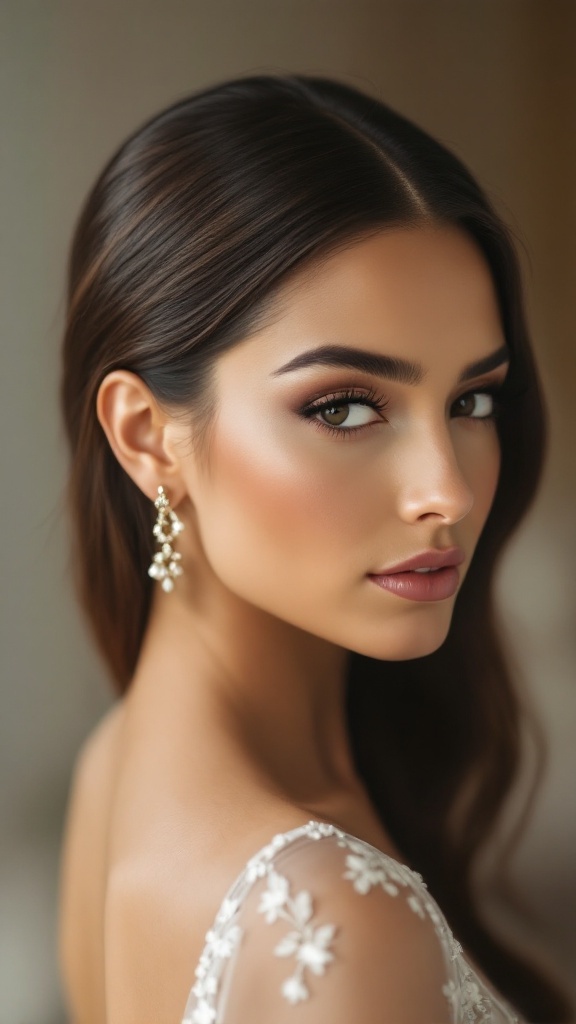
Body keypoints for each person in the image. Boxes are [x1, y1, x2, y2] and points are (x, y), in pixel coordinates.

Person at [57, 74, 572, 1024]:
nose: (448, 490)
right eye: (344, 409)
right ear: (146, 437)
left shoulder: (114, 767)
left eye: (472, 400)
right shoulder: (334, 926)